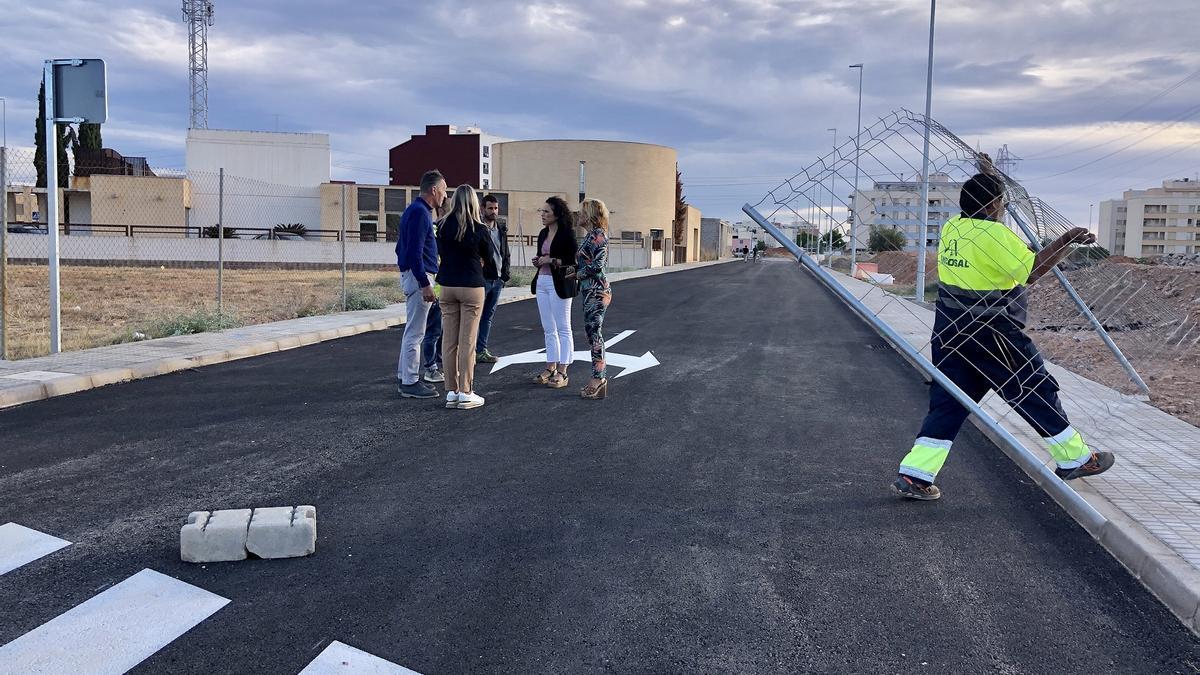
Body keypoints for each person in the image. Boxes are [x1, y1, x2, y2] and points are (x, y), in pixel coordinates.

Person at [892, 172, 1115, 500]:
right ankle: (1076, 458)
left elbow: (1003, 255)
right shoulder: (996, 236)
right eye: (1002, 203)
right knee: (1034, 390)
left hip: (950, 334)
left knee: (949, 403)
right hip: (994, 336)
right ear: (995, 204)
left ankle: (915, 475)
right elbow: (1032, 271)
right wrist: (1066, 240)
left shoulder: (954, 228)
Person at [435, 185, 492, 410]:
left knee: (449, 341)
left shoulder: (442, 225)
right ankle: (466, 391)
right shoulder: (479, 228)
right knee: (468, 341)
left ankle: (451, 391)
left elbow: (440, 251)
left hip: (447, 284)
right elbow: (489, 258)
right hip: (471, 285)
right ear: (474, 203)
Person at [395, 170, 447, 399]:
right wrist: (425, 283)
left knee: (413, 330)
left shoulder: (416, 211)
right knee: (416, 332)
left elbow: (401, 248)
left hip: (417, 276)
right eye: (444, 191)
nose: (445, 196)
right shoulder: (420, 213)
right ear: (434, 190)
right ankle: (410, 381)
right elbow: (414, 252)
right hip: (420, 277)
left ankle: (404, 376)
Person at [531, 196, 579, 389]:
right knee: (548, 328)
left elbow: (572, 261)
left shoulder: (568, 234)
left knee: (563, 327)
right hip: (542, 281)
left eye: (546, 212)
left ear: (557, 215)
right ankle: (550, 366)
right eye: (541, 211)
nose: (542, 215)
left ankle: (563, 370)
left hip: (559, 283)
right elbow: (543, 256)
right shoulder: (543, 233)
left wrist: (550, 260)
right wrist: (539, 260)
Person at [567, 199, 612, 399]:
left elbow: (597, 267)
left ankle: (598, 379)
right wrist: (574, 270)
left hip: (597, 291)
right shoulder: (590, 236)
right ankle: (598, 377)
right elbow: (588, 264)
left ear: (591, 215)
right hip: (590, 291)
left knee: (595, 335)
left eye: (582, 212)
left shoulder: (598, 236)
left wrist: (578, 274)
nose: (579, 215)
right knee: (591, 334)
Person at [476, 194, 511, 364]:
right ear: (482, 209)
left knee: (487, 317)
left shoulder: (501, 229)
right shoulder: (478, 228)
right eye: (490, 208)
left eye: (496, 208)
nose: (494, 211)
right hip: (482, 280)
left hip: (497, 280)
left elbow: (505, 252)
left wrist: (505, 275)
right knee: (474, 316)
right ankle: (469, 351)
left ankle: (481, 350)